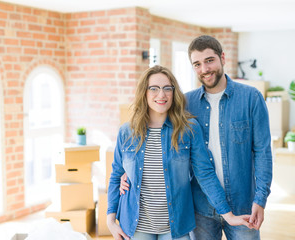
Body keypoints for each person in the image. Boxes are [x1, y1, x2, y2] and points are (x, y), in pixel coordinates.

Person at [107, 65, 252, 240]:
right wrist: (110, 222)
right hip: (136, 225)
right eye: (154, 88)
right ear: (143, 93)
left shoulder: (188, 129)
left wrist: (228, 215)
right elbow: (116, 175)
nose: (161, 95)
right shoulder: (127, 132)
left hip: (175, 226)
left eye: (167, 88)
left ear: (174, 93)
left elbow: (205, 173)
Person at [185, 35, 273, 240]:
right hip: (201, 208)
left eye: (209, 60)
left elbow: (263, 152)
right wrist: (131, 169)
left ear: (222, 58)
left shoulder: (251, 98)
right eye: (197, 64)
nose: (204, 69)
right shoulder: (186, 103)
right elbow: (164, 142)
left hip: (244, 206)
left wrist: (260, 200)